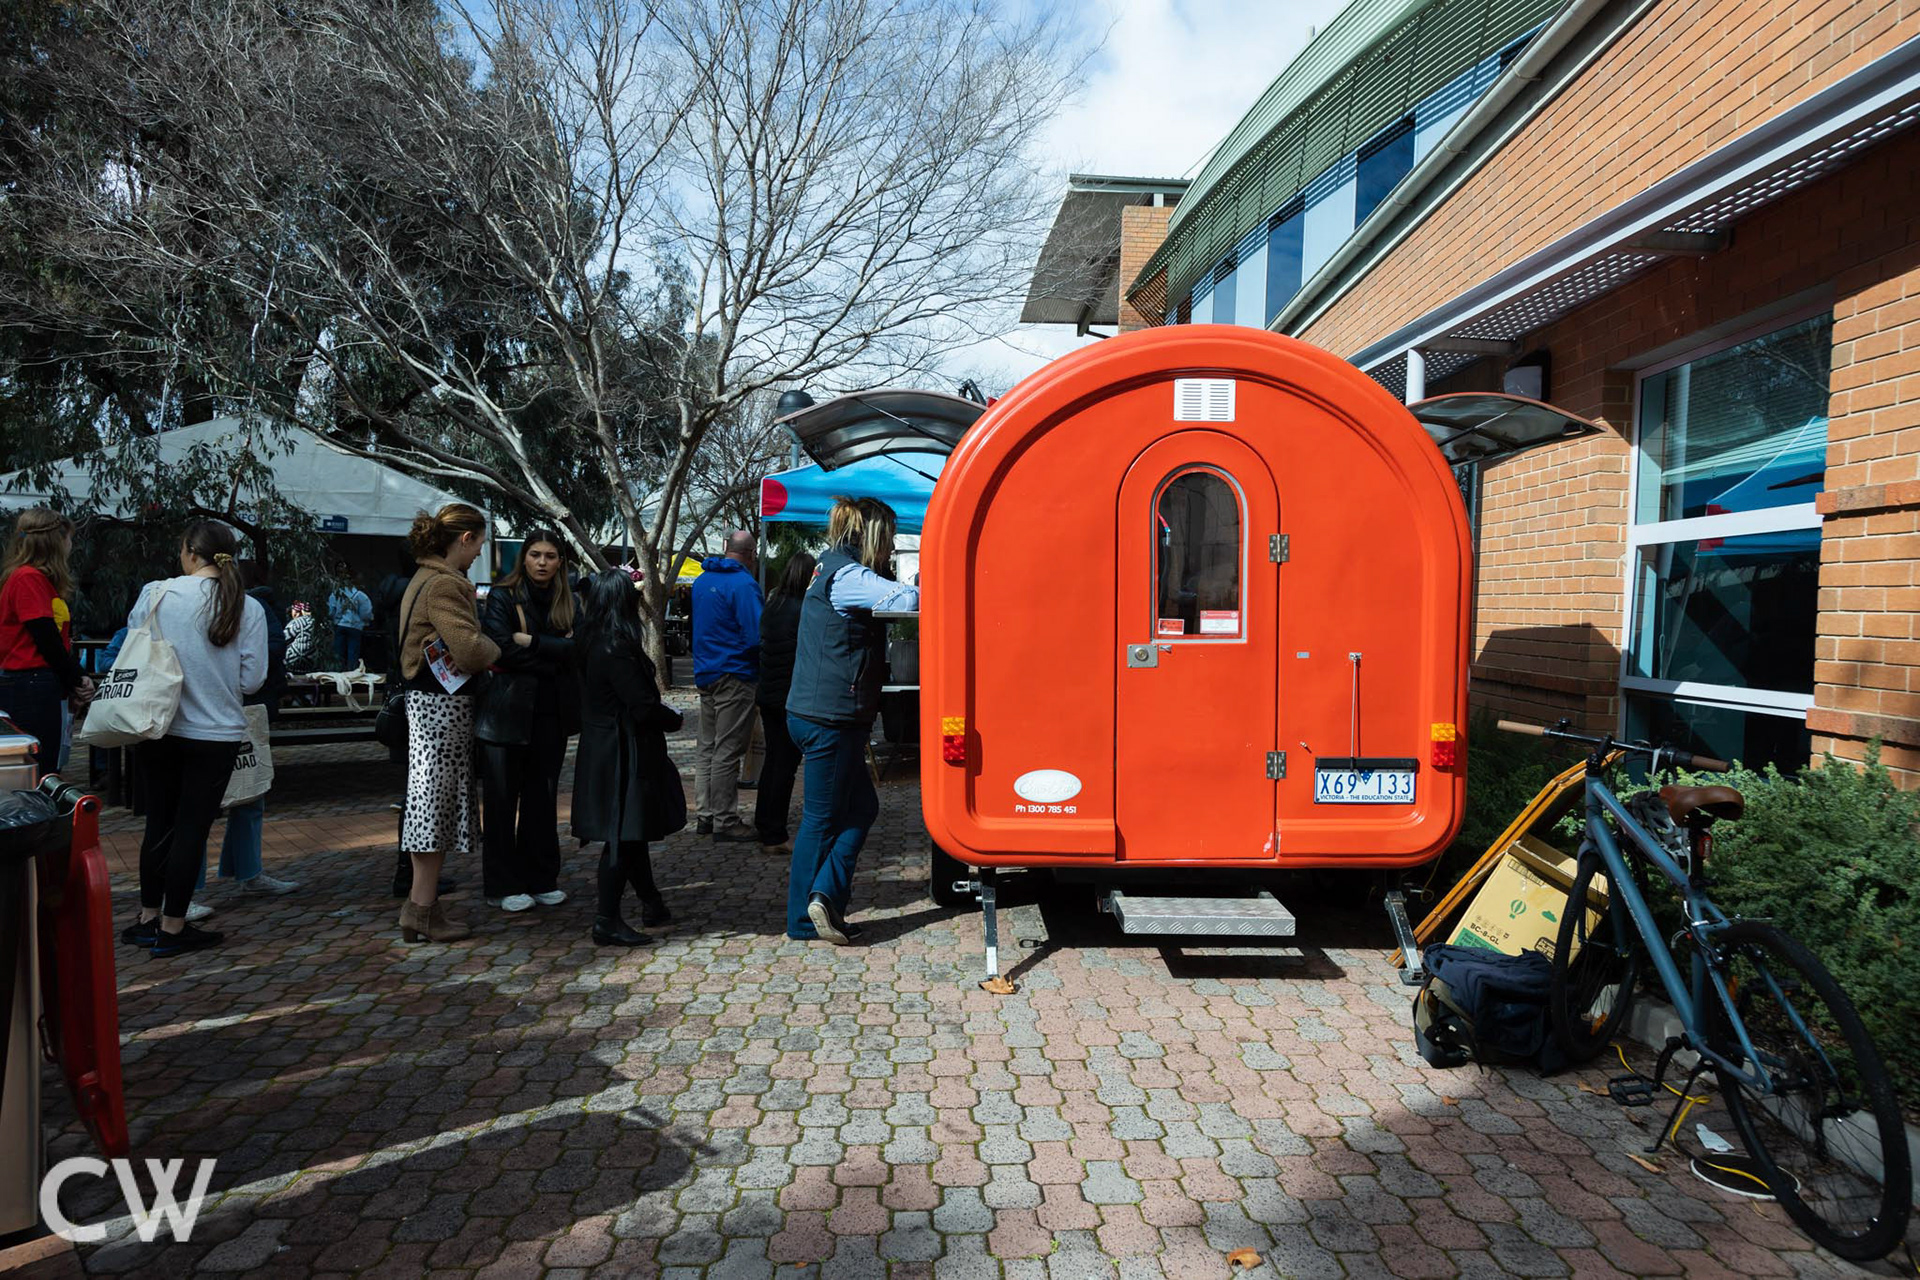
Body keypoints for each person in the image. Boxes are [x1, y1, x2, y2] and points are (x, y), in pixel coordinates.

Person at [119, 520, 269, 956]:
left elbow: (136, 647)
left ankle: (148, 917)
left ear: (189, 550)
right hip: (216, 732)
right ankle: (173, 927)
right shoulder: (247, 606)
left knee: (159, 823)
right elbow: (253, 679)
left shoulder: (156, 593)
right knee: (191, 829)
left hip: (158, 725)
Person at [784, 499, 917, 944]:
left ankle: (824, 897)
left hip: (816, 711)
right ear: (872, 535)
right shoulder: (848, 576)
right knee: (821, 819)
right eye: (890, 536)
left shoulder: (828, 567)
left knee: (860, 809)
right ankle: (806, 916)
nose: (892, 546)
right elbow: (906, 599)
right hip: (830, 717)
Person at [395, 503, 499, 944]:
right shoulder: (444, 584)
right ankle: (421, 909)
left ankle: (422, 907)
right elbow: (470, 649)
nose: (478, 554)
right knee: (433, 807)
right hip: (440, 710)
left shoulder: (426, 577)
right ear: (465, 539)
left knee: (431, 805)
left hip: (433, 707)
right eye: (478, 545)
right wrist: (498, 646)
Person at [573, 569, 683, 946]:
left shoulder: (591, 640)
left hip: (608, 747)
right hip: (622, 752)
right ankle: (606, 919)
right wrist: (673, 719)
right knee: (623, 836)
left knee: (631, 834)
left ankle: (652, 902)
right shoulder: (613, 646)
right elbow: (642, 705)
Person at [478, 530, 579, 913]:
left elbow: (579, 649)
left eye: (550, 556)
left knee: (542, 800)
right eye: (536, 554)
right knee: (502, 803)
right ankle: (502, 884)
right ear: (524, 557)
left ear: (560, 561)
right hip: (506, 712)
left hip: (550, 713)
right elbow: (500, 648)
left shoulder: (568, 599)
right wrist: (553, 655)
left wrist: (533, 642)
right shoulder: (503, 596)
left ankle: (541, 878)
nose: (542, 562)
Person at [198, 572, 298, 898]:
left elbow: (271, 649)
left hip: (243, 707)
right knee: (200, 801)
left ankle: (247, 871)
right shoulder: (193, 602)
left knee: (250, 789)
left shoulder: (251, 606)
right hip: (209, 710)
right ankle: (189, 888)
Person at [0, 508, 93, 778]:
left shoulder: (34, 579)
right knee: (41, 769)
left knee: (46, 763)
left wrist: (74, 679)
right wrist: (77, 679)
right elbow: (46, 639)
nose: (71, 545)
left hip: (35, 682)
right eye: (69, 538)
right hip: (30, 683)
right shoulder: (28, 578)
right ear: (56, 541)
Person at [690, 530, 762, 841]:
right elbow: (756, 635)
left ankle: (706, 815)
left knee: (707, 747)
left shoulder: (702, 581)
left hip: (706, 672)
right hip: (735, 673)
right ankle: (725, 820)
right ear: (751, 554)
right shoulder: (744, 584)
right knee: (728, 749)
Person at [753, 552, 814, 855]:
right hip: (789, 696)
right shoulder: (803, 610)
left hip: (768, 693)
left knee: (773, 763)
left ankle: (765, 824)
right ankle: (774, 834)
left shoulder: (773, 605)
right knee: (784, 767)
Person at [329, 579, 373, 669]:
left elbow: (331, 611)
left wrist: (335, 619)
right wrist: (364, 622)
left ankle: (337, 671)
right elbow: (366, 613)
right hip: (355, 627)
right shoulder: (361, 595)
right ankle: (352, 671)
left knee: (338, 652)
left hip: (340, 625)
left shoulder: (335, 594)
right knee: (353, 652)